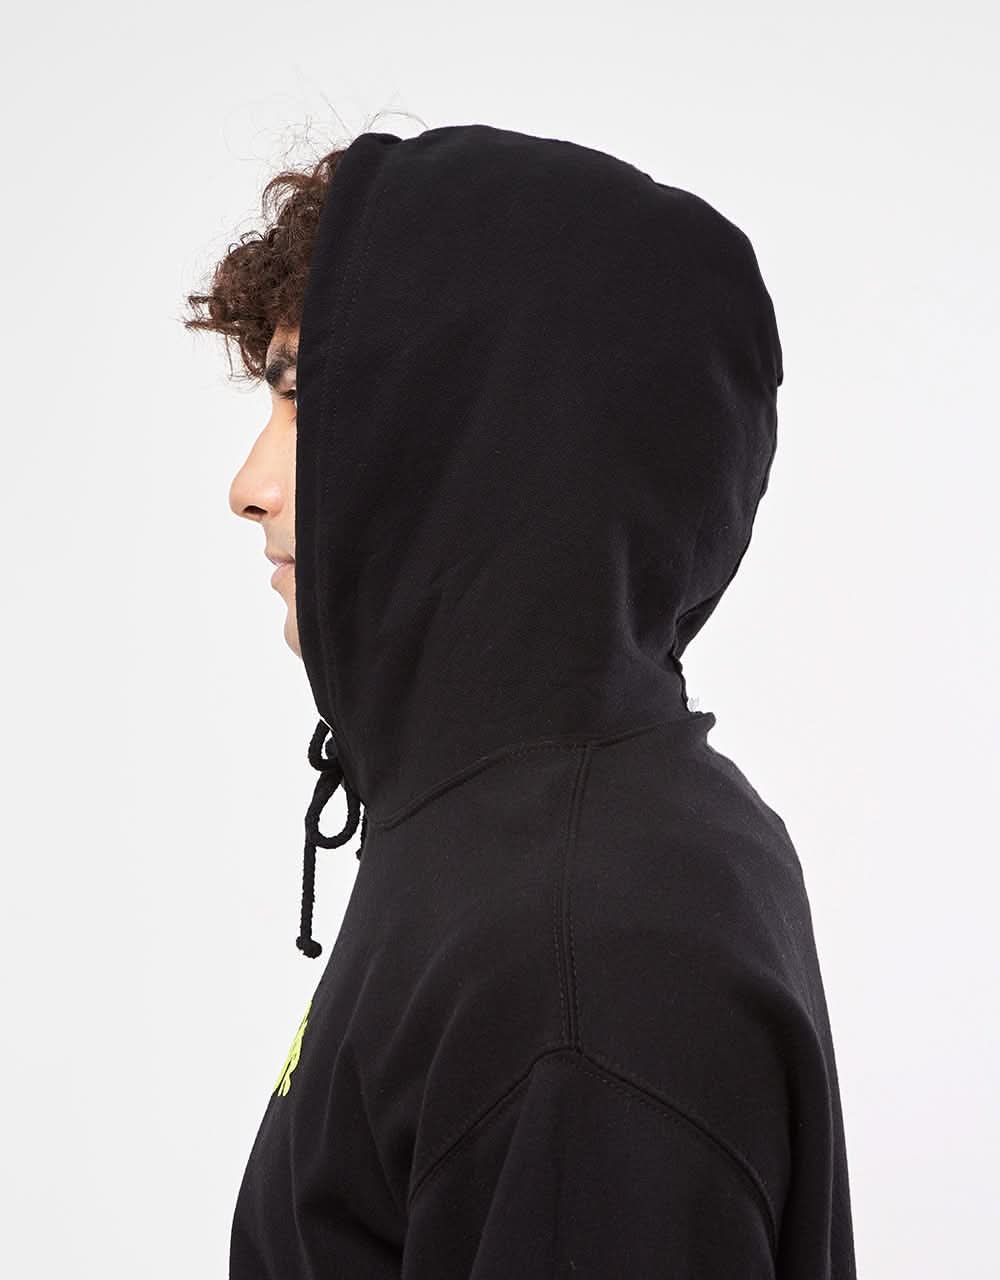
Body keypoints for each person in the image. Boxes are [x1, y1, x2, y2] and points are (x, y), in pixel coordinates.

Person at [185, 122, 857, 1278]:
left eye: (305, 402)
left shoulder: (580, 950)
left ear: (482, 432)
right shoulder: (517, 846)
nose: (248, 485)